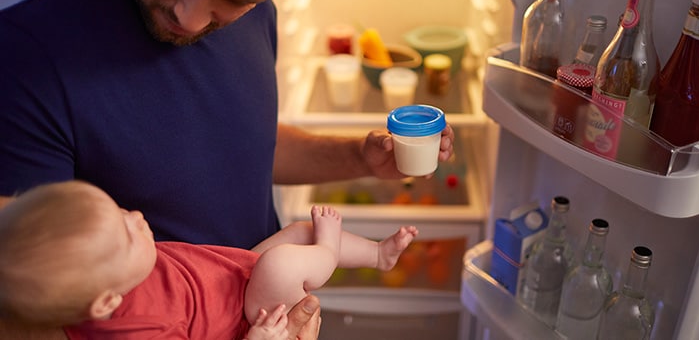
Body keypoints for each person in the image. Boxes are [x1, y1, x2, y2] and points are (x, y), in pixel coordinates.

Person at [0, 0, 454, 337]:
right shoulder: (22, 59)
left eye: (230, 1)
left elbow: (245, 141)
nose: (191, 18)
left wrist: (360, 156)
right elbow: (18, 316)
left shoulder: (259, 10)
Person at [0, 180, 419, 340]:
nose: (135, 216)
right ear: (107, 303)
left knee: (297, 234)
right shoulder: (138, 331)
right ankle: (328, 252)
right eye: (126, 233)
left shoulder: (100, 278)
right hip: (249, 316)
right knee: (282, 265)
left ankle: (377, 255)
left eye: (119, 211)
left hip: (230, 278)